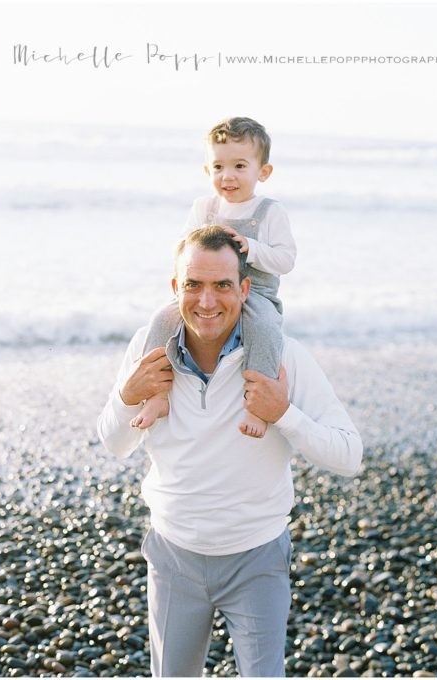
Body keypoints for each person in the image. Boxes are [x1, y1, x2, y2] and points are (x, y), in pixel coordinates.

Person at [96, 226, 362, 676]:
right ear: (175, 287)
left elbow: (350, 456)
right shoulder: (149, 349)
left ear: (244, 288)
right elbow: (115, 443)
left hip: (256, 559)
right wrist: (127, 396)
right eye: (194, 285)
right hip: (173, 557)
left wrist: (284, 413)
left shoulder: (283, 358)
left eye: (222, 285)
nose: (206, 301)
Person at [131, 117, 296, 438]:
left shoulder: (269, 212)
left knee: (264, 329)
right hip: (207, 289)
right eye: (218, 167)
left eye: (239, 166)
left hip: (256, 292)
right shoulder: (204, 207)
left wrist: (252, 248)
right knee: (162, 318)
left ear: (262, 172)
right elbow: (183, 249)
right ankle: (157, 394)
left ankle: (258, 406)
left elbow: (286, 260)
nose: (228, 176)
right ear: (208, 171)